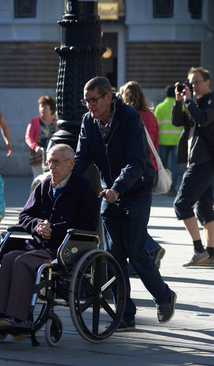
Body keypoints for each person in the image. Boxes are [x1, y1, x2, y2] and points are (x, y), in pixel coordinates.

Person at [74, 76, 177, 331]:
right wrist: (62, 181)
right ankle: (125, 313)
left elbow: (137, 161)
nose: (89, 106)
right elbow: (81, 158)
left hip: (136, 191)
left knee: (135, 248)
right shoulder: (89, 121)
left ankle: (164, 297)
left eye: (93, 100)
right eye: (86, 101)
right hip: (111, 194)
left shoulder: (129, 116)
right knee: (113, 256)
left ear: (108, 97)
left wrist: (118, 189)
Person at [0, 144, 99, 332]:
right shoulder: (44, 185)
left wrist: (54, 230)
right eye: (49, 162)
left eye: (56, 162)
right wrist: (38, 226)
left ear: (71, 163)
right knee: (7, 258)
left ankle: (16, 317)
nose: (51, 167)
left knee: (23, 261)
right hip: (38, 243)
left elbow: (88, 222)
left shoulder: (82, 187)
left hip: (62, 247)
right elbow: (24, 216)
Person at [120, 81, 165, 270]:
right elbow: (155, 143)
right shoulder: (151, 116)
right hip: (151, 171)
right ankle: (145, 254)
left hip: (134, 172)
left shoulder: (128, 117)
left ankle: (150, 248)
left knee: (126, 218)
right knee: (136, 217)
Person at [172, 67, 214, 267]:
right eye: (191, 83)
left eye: (197, 82)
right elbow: (177, 121)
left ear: (208, 82)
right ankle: (211, 254)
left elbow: (203, 119)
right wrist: (179, 101)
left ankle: (199, 250)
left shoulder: (211, 102)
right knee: (205, 208)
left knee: (181, 204)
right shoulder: (194, 103)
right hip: (199, 160)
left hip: (203, 162)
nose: (193, 86)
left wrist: (189, 102)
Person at [154, 85, 183, 196]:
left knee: (162, 165)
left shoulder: (160, 107)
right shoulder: (181, 106)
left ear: (165, 94)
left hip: (163, 140)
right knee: (174, 166)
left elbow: (156, 126)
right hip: (177, 141)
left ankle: (162, 185)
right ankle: (172, 188)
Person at [25, 95, 58, 180]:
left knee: (51, 178)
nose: (42, 109)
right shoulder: (35, 121)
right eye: (41, 107)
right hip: (38, 155)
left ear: (51, 110)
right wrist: (35, 147)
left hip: (53, 156)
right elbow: (28, 137)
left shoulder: (57, 122)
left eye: (45, 107)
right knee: (38, 178)